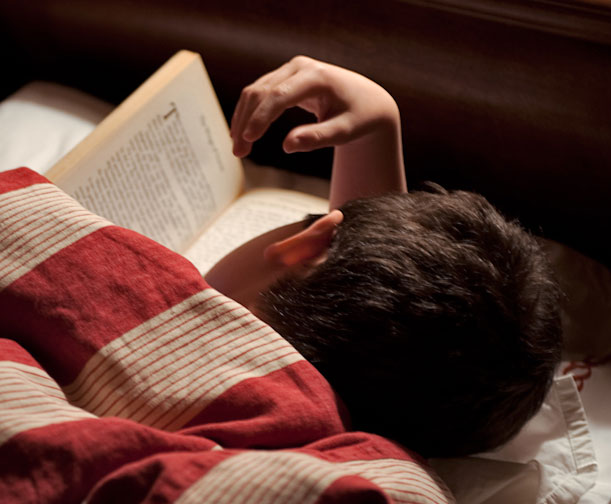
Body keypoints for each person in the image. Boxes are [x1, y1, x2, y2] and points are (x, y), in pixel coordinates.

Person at [207, 56, 562, 458]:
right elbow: (383, 310)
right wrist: (376, 127)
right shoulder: (363, 408)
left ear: (303, 247)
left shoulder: (170, 322)